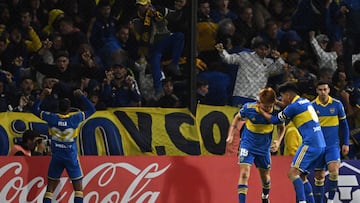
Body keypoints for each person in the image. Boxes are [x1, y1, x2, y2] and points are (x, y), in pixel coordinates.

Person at [257, 82, 326, 203]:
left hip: (310, 144)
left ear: (288, 95)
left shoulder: (293, 107)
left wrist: (261, 111)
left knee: (292, 173)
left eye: (282, 96)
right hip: (321, 144)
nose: (281, 99)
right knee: (303, 176)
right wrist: (276, 102)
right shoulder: (304, 101)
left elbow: (274, 120)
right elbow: (288, 106)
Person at [33, 88, 96, 203]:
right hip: (71, 157)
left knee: (50, 189)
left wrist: (43, 95)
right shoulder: (75, 118)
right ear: (69, 109)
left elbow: (35, 109)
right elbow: (92, 110)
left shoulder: (51, 118)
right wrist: (82, 96)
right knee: (78, 190)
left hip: (56, 157)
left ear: (58, 108)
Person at [227, 87, 285, 203]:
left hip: (264, 148)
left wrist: (278, 141)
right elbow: (237, 117)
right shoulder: (249, 108)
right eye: (265, 106)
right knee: (244, 173)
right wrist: (231, 135)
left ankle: (265, 197)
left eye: (270, 106)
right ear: (259, 103)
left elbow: (282, 127)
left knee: (265, 178)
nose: (268, 109)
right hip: (247, 144)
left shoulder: (277, 113)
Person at [311, 81, 350, 203]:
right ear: (317, 91)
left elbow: (344, 125)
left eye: (325, 89)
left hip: (332, 146)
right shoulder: (311, 106)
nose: (323, 92)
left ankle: (331, 201)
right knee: (319, 176)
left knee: (334, 171)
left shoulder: (337, 104)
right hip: (318, 146)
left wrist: (346, 143)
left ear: (329, 90)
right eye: (320, 90)